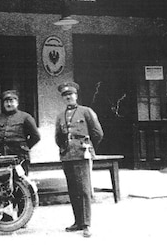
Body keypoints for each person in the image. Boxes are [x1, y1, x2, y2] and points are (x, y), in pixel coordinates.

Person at [54, 82, 104, 238]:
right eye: (65, 95)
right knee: (73, 189)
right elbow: (58, 137)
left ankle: (87, 224)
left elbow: (98, 133)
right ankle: (78, 222)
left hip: (82, 154)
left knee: (84, 190)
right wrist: (64, 148)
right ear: (63, 98)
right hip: (67, 155)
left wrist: (88, 147)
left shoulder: (86, 111)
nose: (68, 97)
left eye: (71, 94)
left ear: (76, 96)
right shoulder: (60, 116)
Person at [0, 90, 40, 175]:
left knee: (21, 181)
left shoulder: (25, 117)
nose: (9, 104)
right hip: (2, 155)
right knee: (3, 181)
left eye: (11, 101)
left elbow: (36, 136)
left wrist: (24, 147)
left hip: (19, 156)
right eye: (6, 101)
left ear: (17, 103)